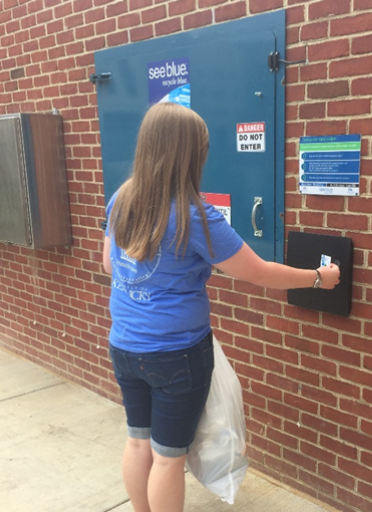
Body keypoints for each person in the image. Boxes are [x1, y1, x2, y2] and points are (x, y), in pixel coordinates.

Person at [102, 102, 340, 512]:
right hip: (176, 355)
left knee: (139, 441)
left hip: (125, 346)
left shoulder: (122, 198)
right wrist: (319, 277)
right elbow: (259, 272)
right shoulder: (195, 214)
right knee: (168, 457)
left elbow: (109, 264)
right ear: (192, 154)